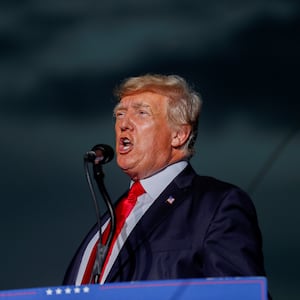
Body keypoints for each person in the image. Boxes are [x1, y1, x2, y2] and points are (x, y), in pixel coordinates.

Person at [63, 74, 268, 287]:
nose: (124, 123)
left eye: (142, 113)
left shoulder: (216, 205)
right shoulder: (112, 217)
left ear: (179, 135)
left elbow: (238, 293)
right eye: (120, 114)